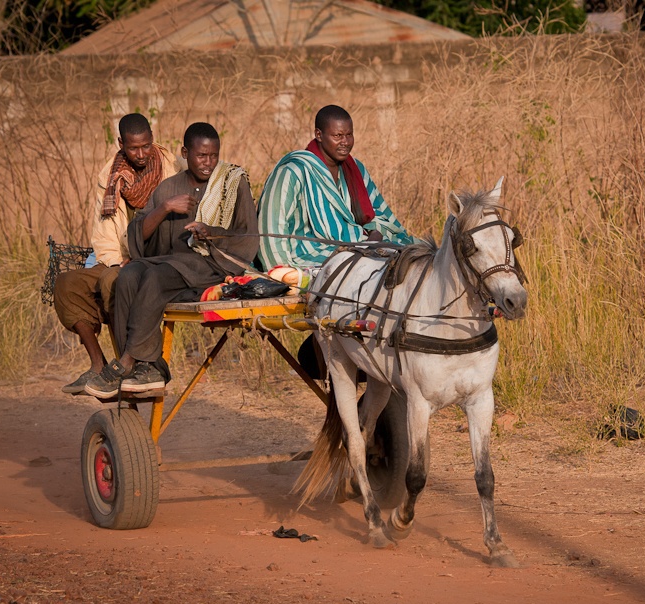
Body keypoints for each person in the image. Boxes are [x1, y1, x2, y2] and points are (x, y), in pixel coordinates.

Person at [84, 122, 258, 397]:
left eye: (214, 155)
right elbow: (138, 234)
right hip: (173, 263)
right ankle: (148, 367)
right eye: (201, 156)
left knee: (154, 276)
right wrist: (165, 208)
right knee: (128, 276)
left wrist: (210, 232)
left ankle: (127, 361)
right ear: (185, 153)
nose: (208, 163)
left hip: (214, 264)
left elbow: (247, 234)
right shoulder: (169, 188)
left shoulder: (232, 183)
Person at [54, 113, 178, 394]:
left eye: (146, 146)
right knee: (67, 284)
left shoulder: (173, 168)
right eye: (133, 148)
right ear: (121, 143)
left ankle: (133, 365)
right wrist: (116, 261)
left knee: (114, 281)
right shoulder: (109, 177)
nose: (141, 153)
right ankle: (98, 365)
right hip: (120, 256)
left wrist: (130, 265)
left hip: (159, 258)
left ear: (152, 140)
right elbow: (104, 232)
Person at [256, 104, 415, 270]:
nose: (345, 142)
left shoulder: (356, 168)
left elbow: (378, 213)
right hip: (308, 254)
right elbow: (271, 228)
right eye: (338, 136)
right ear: (319, 135)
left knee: (407, 255)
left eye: (349, 135)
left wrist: (374, 233)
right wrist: (280, 274)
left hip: (356, 246)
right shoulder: (293, 172)